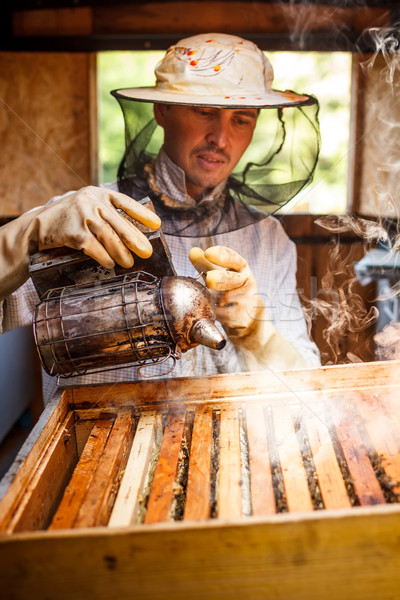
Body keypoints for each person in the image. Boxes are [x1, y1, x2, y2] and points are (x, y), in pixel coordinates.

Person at [0, 33, 321, 402]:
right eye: (205, 112)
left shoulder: (270, 239)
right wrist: (29, 234)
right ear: (161, 111)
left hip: (226, 446)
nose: (220, 138)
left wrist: (255, 331)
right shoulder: (79, 221)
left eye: (242, 120)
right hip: (96, 445)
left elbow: (306, 389)